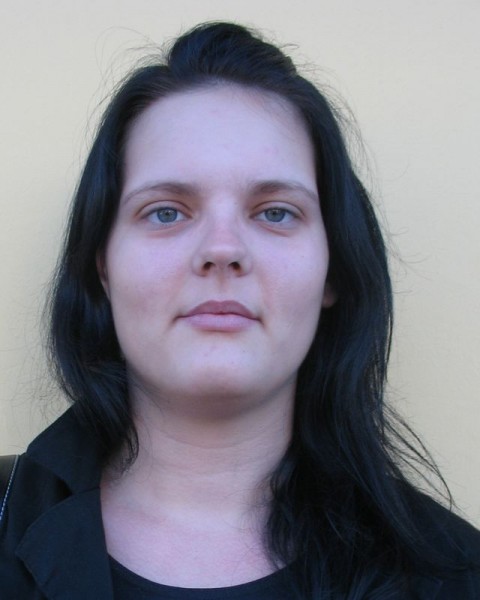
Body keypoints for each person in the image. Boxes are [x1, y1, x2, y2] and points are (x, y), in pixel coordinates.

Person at [1, 21, 479, 599]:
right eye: (166, 212)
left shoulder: (457, 578)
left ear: (333, 268)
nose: (222, 249)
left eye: (275, 212)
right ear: (103, 265)